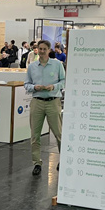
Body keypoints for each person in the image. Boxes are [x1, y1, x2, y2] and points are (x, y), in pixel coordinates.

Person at [24, 40, 65, 175]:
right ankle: (37, 163)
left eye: (44, 49)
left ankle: (64, 160)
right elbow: (26, 84)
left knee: (59, 134)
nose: (41, 51)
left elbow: (63, 81)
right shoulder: (32, 67)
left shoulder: (57, 65)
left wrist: (54, 87)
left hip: (53, 102)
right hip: (37, 102)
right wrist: (34, 87)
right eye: (39, 49)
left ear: (49, 50)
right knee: (35, 135)